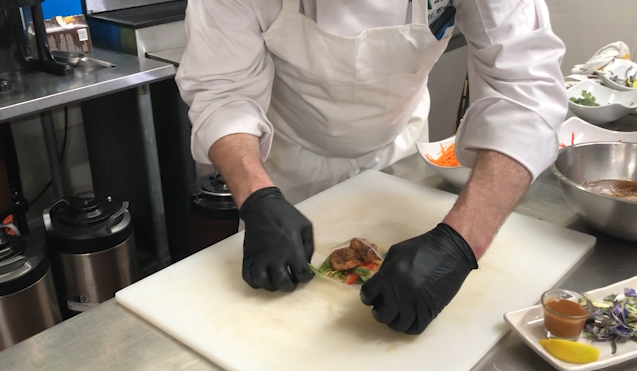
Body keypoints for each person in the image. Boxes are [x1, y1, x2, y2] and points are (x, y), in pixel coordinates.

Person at [175, 0, 567, 335]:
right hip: (284, 164)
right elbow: (222, 89)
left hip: (399, 158)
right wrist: (257, 195)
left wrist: (461, 242)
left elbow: (525, 92)